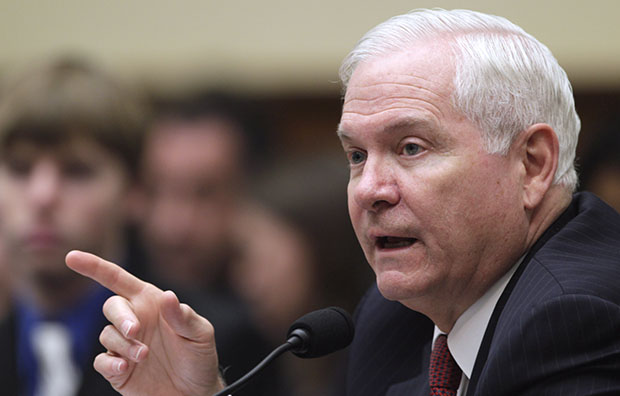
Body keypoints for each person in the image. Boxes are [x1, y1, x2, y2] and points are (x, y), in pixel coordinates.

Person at [65, 8, 620, 396]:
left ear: (533, 164)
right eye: (356, 155)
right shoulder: (394, 316)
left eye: (410, 148)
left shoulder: (578, 317)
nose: (370, 189)